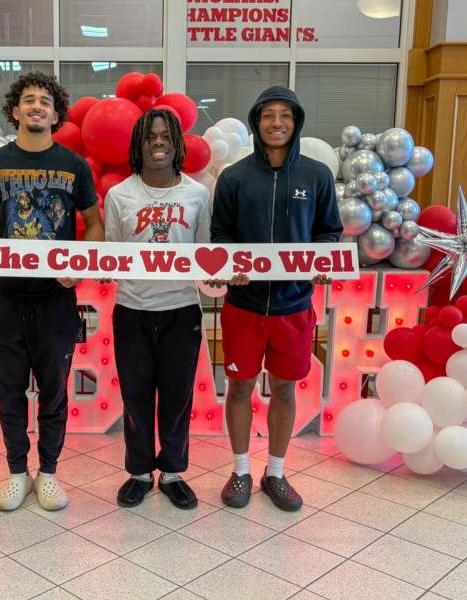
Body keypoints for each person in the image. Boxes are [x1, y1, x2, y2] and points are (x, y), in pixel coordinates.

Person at [0, 72, 104, 512]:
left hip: (55, 299)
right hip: (6, 296)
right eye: (29, 100)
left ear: (56, 113)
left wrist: (79, 266)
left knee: (53, 391)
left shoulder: (74, 166)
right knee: (8, 391)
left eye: (45, 101)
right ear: (15, 110)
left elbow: (95, 225)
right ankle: (15, 473)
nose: (37, 107)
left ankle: (48, 474)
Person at [211, 85, 342, 512]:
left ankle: (277, 473)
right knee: (240, 387)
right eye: (268, 115)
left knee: (284, 388)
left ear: (296, 122)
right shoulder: (233, 177)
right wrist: (230, 263)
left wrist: (325, 259)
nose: (277, 122)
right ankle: (241, 470)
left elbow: (329, 233)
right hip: (244, 305)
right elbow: (221, 237)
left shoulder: (317, 176)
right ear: (256, 122)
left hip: (294, 306)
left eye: (285, 115)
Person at [105, 109, 210, 510]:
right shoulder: (119, 196)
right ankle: (139, 472)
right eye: (150, 136)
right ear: (138, 144)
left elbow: (205, 255)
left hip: (182, 310)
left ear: (178, 143)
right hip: (132, 309)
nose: (158, 142)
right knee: (136, 396)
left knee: (177, 396)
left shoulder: (198, 195)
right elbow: (112, 256)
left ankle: (172, 472)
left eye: (166, 136)